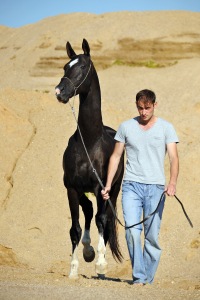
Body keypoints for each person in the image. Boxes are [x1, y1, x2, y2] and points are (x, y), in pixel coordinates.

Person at [101, 89, 179, 285]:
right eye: (140, 108)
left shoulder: (166, 128)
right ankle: (139, 277)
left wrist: (172, 183)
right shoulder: (126, 127)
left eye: (147, 108)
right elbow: (116, 157)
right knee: (132, 231)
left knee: (151, 237)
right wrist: (108, 185)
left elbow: (173, 157)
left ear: (155, 105)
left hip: (156, 188)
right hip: (131, 187)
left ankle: (148, 279)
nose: (143, 112)